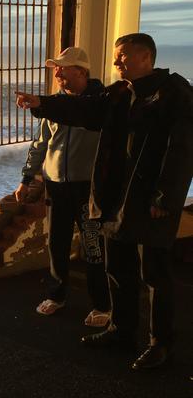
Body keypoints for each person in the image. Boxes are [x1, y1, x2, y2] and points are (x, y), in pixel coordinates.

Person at [15, 33, 193, 371]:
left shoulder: (175, 93)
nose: (115, 62)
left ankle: (161, 344)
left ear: (145, 57)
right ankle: (121, 331)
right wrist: (41, 103)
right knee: (118, 268)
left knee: (154, 273)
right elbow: (85, 109)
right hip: (115, 197)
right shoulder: (119, 93)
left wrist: (166, 198)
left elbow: (183, 151)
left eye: (122, 56)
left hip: (152, 200)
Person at [15, 47, 110, 327]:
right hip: (56, 187)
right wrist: (26, 177)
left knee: (93, 247)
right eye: (55, 68)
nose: (56, 72)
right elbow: (40, 144)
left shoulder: (100, 104)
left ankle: (103, 304)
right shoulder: (54, 105)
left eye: (62, 68)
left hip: (88, 188)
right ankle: (57, 295)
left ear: (81, 71)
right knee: (56, 243)